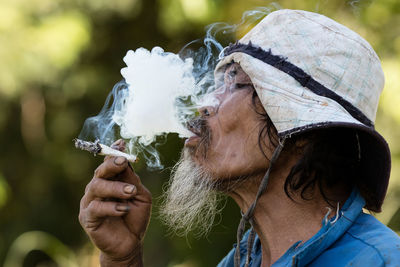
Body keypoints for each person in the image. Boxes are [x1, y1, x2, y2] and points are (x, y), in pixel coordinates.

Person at [78, 9, 400, 267]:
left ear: (305, 132)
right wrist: (123, 259)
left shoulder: (382, 260)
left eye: (237, 83)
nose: (205, 105)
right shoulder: (242, 261)